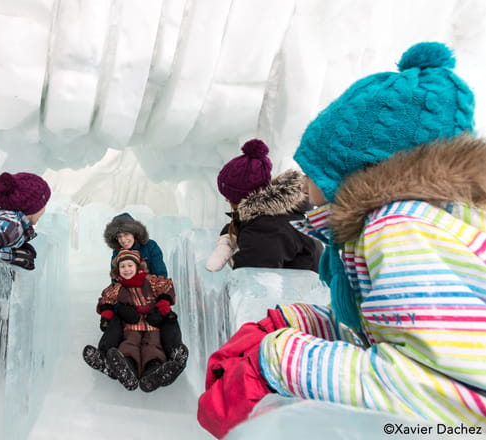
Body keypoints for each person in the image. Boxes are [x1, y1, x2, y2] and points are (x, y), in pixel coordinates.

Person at [197, 42, 486, 438]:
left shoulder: (401, 232)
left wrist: (278, 360)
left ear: (352, 175)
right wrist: (298, 322)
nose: (304, 181)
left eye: (313, 168)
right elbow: (391, 335)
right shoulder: (408, 227)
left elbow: (450, 399)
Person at [83, 213, 188, 381]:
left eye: (126, 234)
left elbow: (162, 279)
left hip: (152, 298)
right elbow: (115, 287)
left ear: (135, 232)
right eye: (119, 237)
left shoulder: (151, 247)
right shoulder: (117, 254)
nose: (123, 240)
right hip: (129, 302)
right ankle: (108, 357)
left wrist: (159, 304)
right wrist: (118, 309)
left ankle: (172, 356)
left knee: (164, 325)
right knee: (123, 331)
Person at [206, 139, 322, 272]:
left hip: (299, 292)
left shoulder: (265, 230)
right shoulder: (281, 215)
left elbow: (253, 280)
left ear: (243, 198)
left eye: (229, 196)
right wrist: (228, 236)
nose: (227, 200)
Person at [96, 250, 184, 392]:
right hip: (131, 326)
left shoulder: (150, 281)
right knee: (129, 345)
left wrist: (163, 304)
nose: (126, 269)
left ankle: (154, 372)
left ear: (138, 266)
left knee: (153, 347)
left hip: (152, 326)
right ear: (118, 270)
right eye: (122, 267)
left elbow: (166, 286)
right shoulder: (118, 288)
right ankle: (126, 369)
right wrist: (106, 313)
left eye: (130, 265)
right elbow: (106, 299)